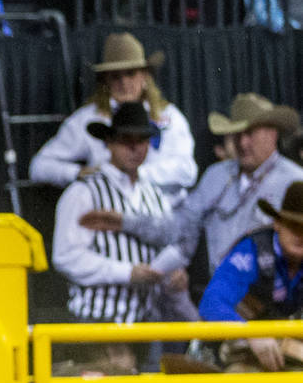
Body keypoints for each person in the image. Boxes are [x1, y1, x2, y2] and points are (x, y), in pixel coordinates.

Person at [79, 93, 303, 279]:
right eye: (237, 133)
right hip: (222, 296)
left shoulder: (295, 181)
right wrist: (126, 221)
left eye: (250, 133)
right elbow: (180, 226)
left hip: (274, 301)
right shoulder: (217, 175)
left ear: (273, 133)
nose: (242, 142)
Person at [52, 102, 194, 370]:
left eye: (140, 140)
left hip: (146, 323)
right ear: (109, 143)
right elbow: (65, 256)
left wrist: (174, 275)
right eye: (125, 140)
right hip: (98, 320)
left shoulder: (154, 195)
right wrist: (126, 272)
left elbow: (170, 247)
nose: (134, 147)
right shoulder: (84, 192)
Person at [29, 32, 197, 199]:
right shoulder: (89, 118)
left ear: (144, 76)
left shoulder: (169, 116)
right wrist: (79, 173)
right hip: (111, 213)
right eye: (116, 76)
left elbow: (187, 170)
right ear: (106, 81)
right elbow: (39, 167)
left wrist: (137, 174)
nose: (123, 82)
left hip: (165, 214)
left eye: (130, 73)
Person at [198, 181, 303, 370]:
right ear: (277, 223)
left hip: (291, 354)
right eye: (294, 226)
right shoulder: (251, 251)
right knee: (240, 374)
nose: (301, 236)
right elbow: (212, 302)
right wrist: (249, 333)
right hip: (235, 351)